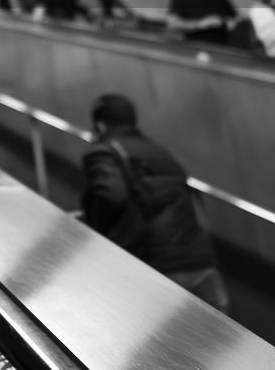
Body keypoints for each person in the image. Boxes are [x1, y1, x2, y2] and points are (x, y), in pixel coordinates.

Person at [80, 94, 229, 312]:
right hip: (204, 268)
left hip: (159, 270)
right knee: (213, 343)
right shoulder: (161, 153)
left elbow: (110, 194)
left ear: (100, 126)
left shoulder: (105, 152)